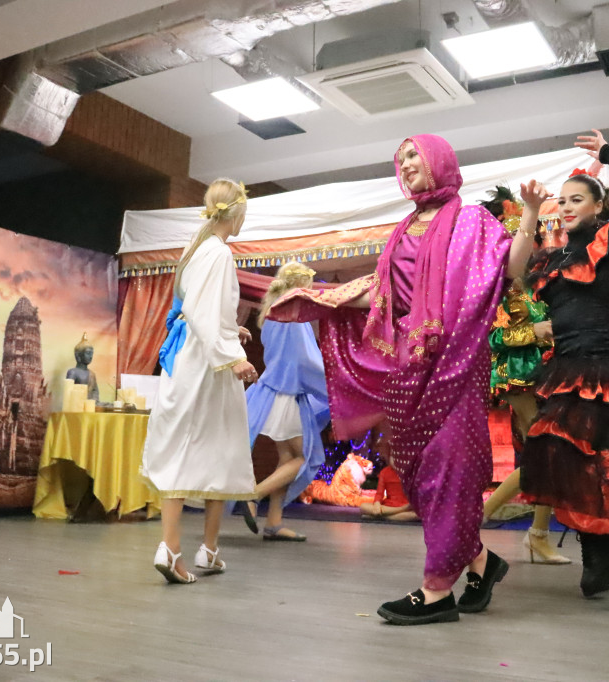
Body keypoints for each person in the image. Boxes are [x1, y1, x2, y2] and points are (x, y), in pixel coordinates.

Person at [269, 134, 548, 625]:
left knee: (449, 470)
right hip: (407, 368)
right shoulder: (399, 233)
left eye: (414, 154)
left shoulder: (471, 221)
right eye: (401, 159)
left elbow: (509, 270)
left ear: (439, 159)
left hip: (456, 363)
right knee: (417, 479)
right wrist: (317, 299)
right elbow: (381, 298)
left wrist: (528, 215)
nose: (407, 163)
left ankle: (436, 590)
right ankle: (481, 563)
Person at [519, 130, 609, 597]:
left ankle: (600, 559)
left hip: (603, 359)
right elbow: (515, 273)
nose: (568, 206)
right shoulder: (553, 257)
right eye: (563, 200)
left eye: (577, 199)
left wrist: (608, 154)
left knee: (576, 451)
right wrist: (529, 213)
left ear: (598, 206)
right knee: (579, 456)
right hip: (567, 362)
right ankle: (607, 558)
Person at [141, 178, 259, 584]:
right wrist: (234, 358)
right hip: (208, 366)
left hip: (191, 358)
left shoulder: (196, 249)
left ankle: (200, 550)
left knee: (203, 448)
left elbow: (202, 312)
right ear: (238, 212)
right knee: (206, 449)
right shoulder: (220, 252)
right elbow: (203, 313)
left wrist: (232, 331)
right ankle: (178, 549)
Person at [478, 187, 571, 564]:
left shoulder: (528, 283)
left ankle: (536, 534)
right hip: (514, 375)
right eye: (518, 233)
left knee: (547, 453)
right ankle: (479, 522)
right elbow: (488, 337)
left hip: (542, 373)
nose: (527, 241)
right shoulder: (491, 282)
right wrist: (533, 332)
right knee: (544, 452)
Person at [241, 262, 330, 542]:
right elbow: (305, 358)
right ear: (300, 285)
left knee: (287, 458)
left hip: (275, 390)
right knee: (303, 458)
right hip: (289, 393)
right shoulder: (292, 312)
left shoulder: (272, 310)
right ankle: (252, 495)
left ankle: (274, 522)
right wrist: (330, 380)